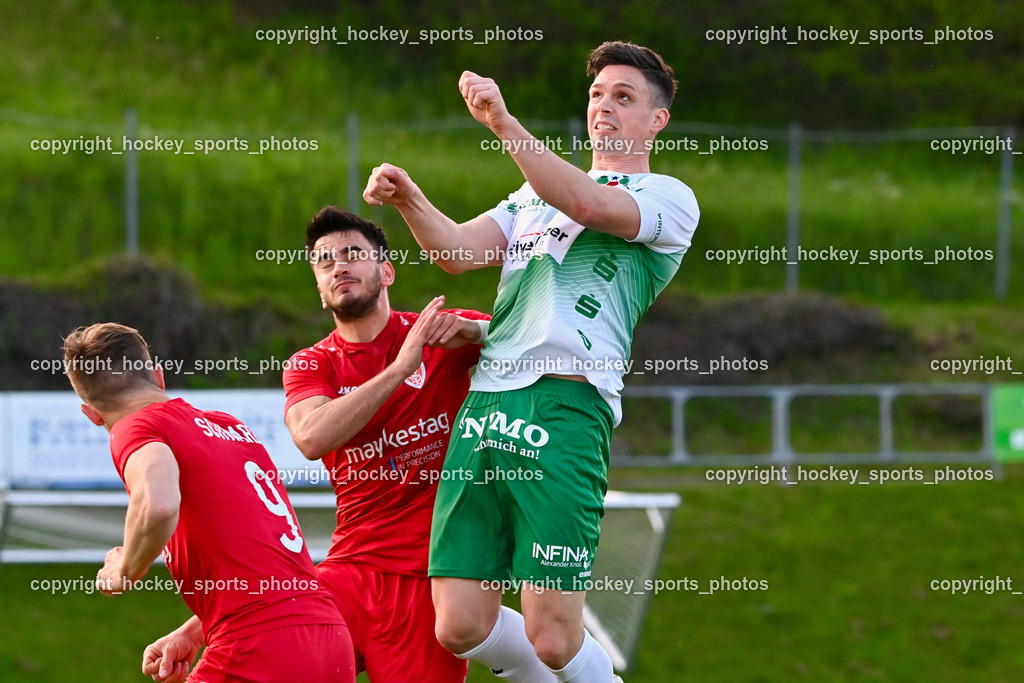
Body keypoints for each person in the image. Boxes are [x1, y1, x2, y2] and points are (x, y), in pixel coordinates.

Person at [363, 41, 699, 682]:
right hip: (488, 405)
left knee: (551, 635)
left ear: (657, 119)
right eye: (598, 94)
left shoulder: (668, 196)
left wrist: (502, 123)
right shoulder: (532, 197)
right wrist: (409, 199)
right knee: (458, 624)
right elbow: (458, 251)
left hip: (566, 406)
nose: (604, 107)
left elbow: (591, 205)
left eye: (624, 97)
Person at [62, 322, 354, 683]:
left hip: (257, 644)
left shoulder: (135, 427)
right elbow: (259, 559)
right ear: (158, 376)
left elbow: (158, 504)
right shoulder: (231, 427)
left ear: (91, 414)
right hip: (328, 635)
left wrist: (123, 572)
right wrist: (194, 631)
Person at [282, 206, 490, 682]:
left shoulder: (440, 329)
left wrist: (478, 331)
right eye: (324, 261)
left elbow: (541, 341)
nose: (339, 266)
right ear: (319, 290)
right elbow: (311, 437)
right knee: (261, 653)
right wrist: (399, 369)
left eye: (353, 253)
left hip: (430, 577)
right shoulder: (312, 364)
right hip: (348, 569)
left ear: (386, 271)